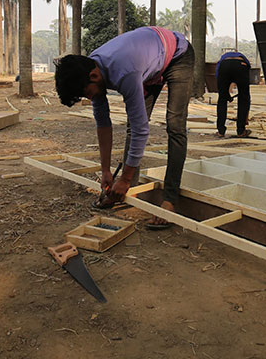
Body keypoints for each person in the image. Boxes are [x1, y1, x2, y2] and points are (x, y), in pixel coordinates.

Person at [55, 27, 193, 230]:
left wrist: (124, 177)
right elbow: (103, 124)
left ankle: (170, 200)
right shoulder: (90, 69)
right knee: (133, 125)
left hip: (177, 55)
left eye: (87, 94)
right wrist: (105, 171)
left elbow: (141, 129)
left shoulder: (125, 71)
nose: (90, 98)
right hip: (150, 60)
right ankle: (128, 189)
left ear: (94, 76)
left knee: (175, 125)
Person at [215, 50, 252, 138]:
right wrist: (246, 116)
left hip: (224, 67)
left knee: (222, 100)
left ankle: (221, 131)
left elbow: (218, 77)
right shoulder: (243, 58)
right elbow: (247, 69)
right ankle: (241, 131)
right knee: (243, 98)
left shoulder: (222, 60)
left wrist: (226, 95)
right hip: (241, 66)